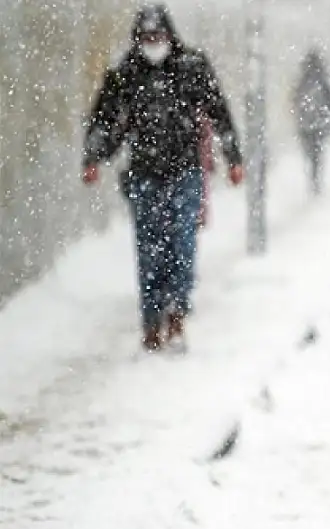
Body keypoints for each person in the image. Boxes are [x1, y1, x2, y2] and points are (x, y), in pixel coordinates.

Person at [82, 3, 243, 352]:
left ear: (170, 36)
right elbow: (105, 121)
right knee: (149, 249)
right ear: (137, 39)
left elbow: (219, 111)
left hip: (185, 171)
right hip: (144, 174)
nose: (153, 43)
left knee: (182, 244)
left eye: (158, 36)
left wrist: (234, 157)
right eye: (146, 38)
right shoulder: (125, 73)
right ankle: (152, 319)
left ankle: (177, 313)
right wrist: (93, 157)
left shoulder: (192, 67)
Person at [292, 48, 330, 196]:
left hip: (306, 123)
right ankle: (315, 177)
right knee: (317, 152)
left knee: (310, 151)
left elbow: (295, 98)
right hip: (318, 123)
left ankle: (313, 176)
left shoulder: (304, 79)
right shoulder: (321, 79)